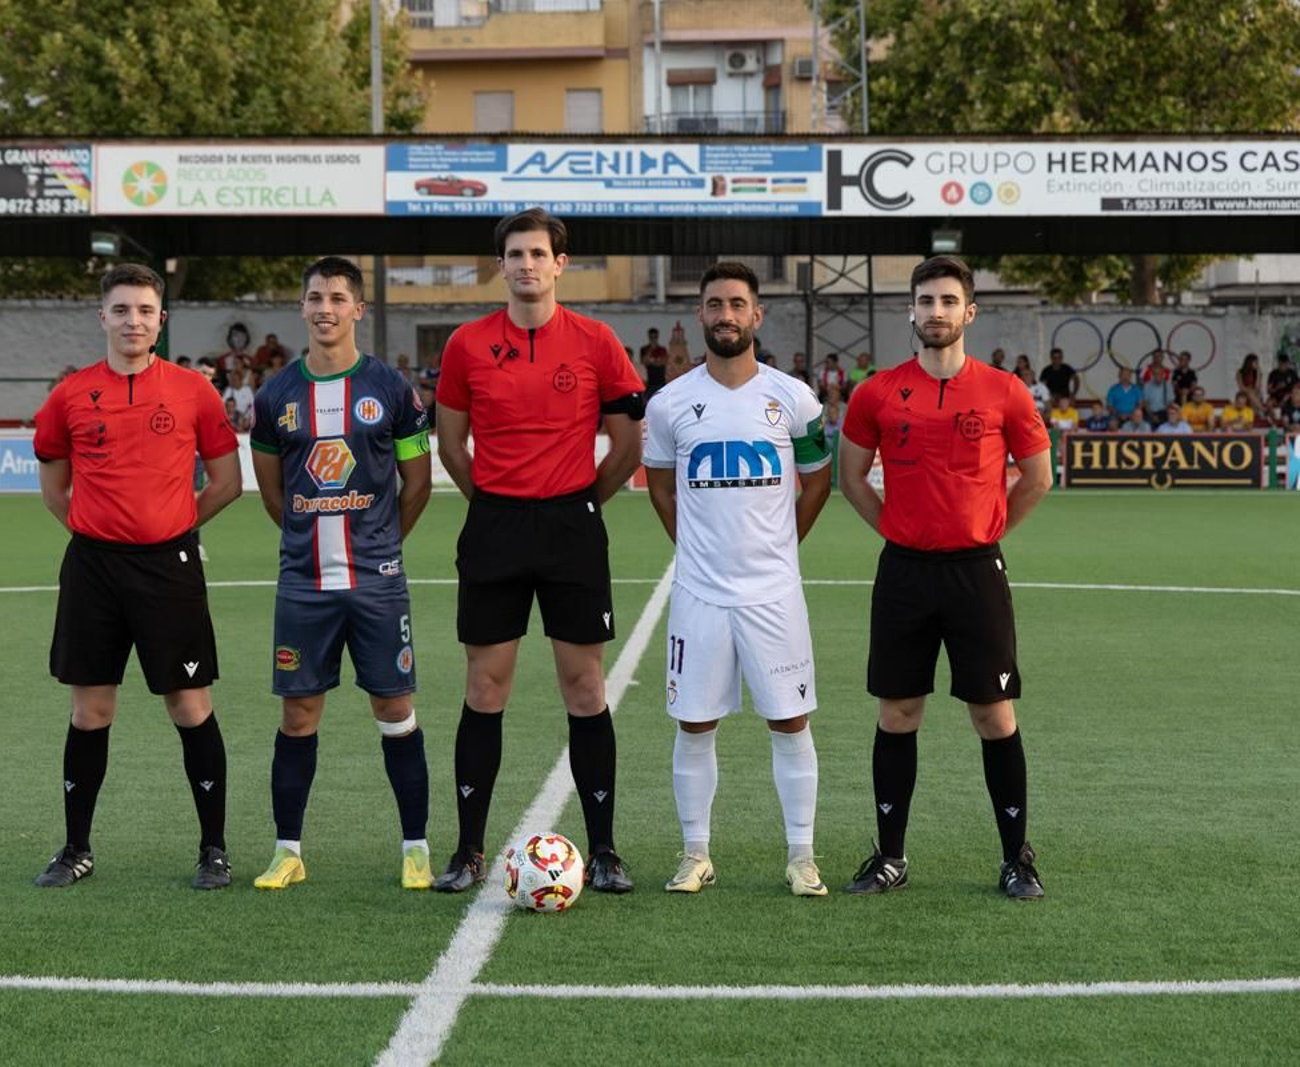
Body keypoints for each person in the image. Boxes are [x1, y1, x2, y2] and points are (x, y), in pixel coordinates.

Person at [432, 208, 645, 894]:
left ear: (560, 264)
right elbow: (451, 445)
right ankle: (468, 849)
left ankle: (606, 849)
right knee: (484, 686)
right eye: (515, 254)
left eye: (538, 254)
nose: (527, 265)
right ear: (502, 265)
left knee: (585, 687)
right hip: (494, 528)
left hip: (571, 527)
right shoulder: (467, 344)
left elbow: (627, 444)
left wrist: (579, 503)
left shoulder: (596, 340)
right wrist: (495, 502)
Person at [838, 255, 1053, 900]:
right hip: (904, 571)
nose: (936, 311)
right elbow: (851, 478)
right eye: (926, 300)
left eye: (948, 301)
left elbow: (1038, 477)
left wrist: (984, 533)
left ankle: (1017, 858)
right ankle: (891, 856)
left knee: (993, 714)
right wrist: (899, 530)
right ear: (912, 309)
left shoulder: (1004, 390)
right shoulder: (876, 391)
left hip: (975, 573)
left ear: (969, 312)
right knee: (899, 711)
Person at [29, 263, 243, 891]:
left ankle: (213, 849)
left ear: (161, 321)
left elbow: (226, 482)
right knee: (90, 709)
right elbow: (54, 490)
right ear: (103, 317)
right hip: (93, 568)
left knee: (189, 704)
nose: (133, 321)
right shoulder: (69, 395)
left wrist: (172, 527)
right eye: (121, 310)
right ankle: (76, 848)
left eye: (145, 311)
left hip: (168, 567)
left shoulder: (193, 390)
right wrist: (103, 531)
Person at [642, 262, 834, 897]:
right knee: (694, 724)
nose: (727, 314)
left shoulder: (796, 399)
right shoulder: (669, 404)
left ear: (757, 315)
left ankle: (801, 856)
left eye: (738, 304)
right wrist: (697, 550)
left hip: (773, 594)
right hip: (700, 594)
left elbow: (818, 482)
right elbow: (663, 490)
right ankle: (695, 852)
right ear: (700, 315)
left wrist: (780, 547)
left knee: (791, 721)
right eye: (715, 304)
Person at [247, 256, 435, 891]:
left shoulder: (392, 391)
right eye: (314, 297)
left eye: (337, 297)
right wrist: (308, 541)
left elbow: (417, 485)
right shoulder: (275, 396)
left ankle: (415, 847)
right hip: (304, 584)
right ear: (302, 308)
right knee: (298, 714)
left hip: (377, 582)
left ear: (359, 309)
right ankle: (287, 850)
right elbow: (274, 495)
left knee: (394, 705)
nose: (324, 307)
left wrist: (380, 544)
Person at [1138, 350, 1172, 424]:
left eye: (1159, 356)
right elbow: (1140, 383)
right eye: (1155, 357)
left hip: (1163, 406)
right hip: (1148, 403)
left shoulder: (1167, 371)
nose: (1157, 358)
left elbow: (1169, 389)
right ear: (1152, 357)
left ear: (1163, 358)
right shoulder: (1146, 368)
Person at [640, 327, 669, 395]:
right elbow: (644, 362)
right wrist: (651, 350)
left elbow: (664, 362)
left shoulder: (662, 349)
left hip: (661, 380)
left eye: (655, 337)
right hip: (650, 381)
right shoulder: (644, 349)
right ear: (649, 337)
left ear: (657, 336)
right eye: (651, 337)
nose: (653, 339)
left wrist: (652, 362)